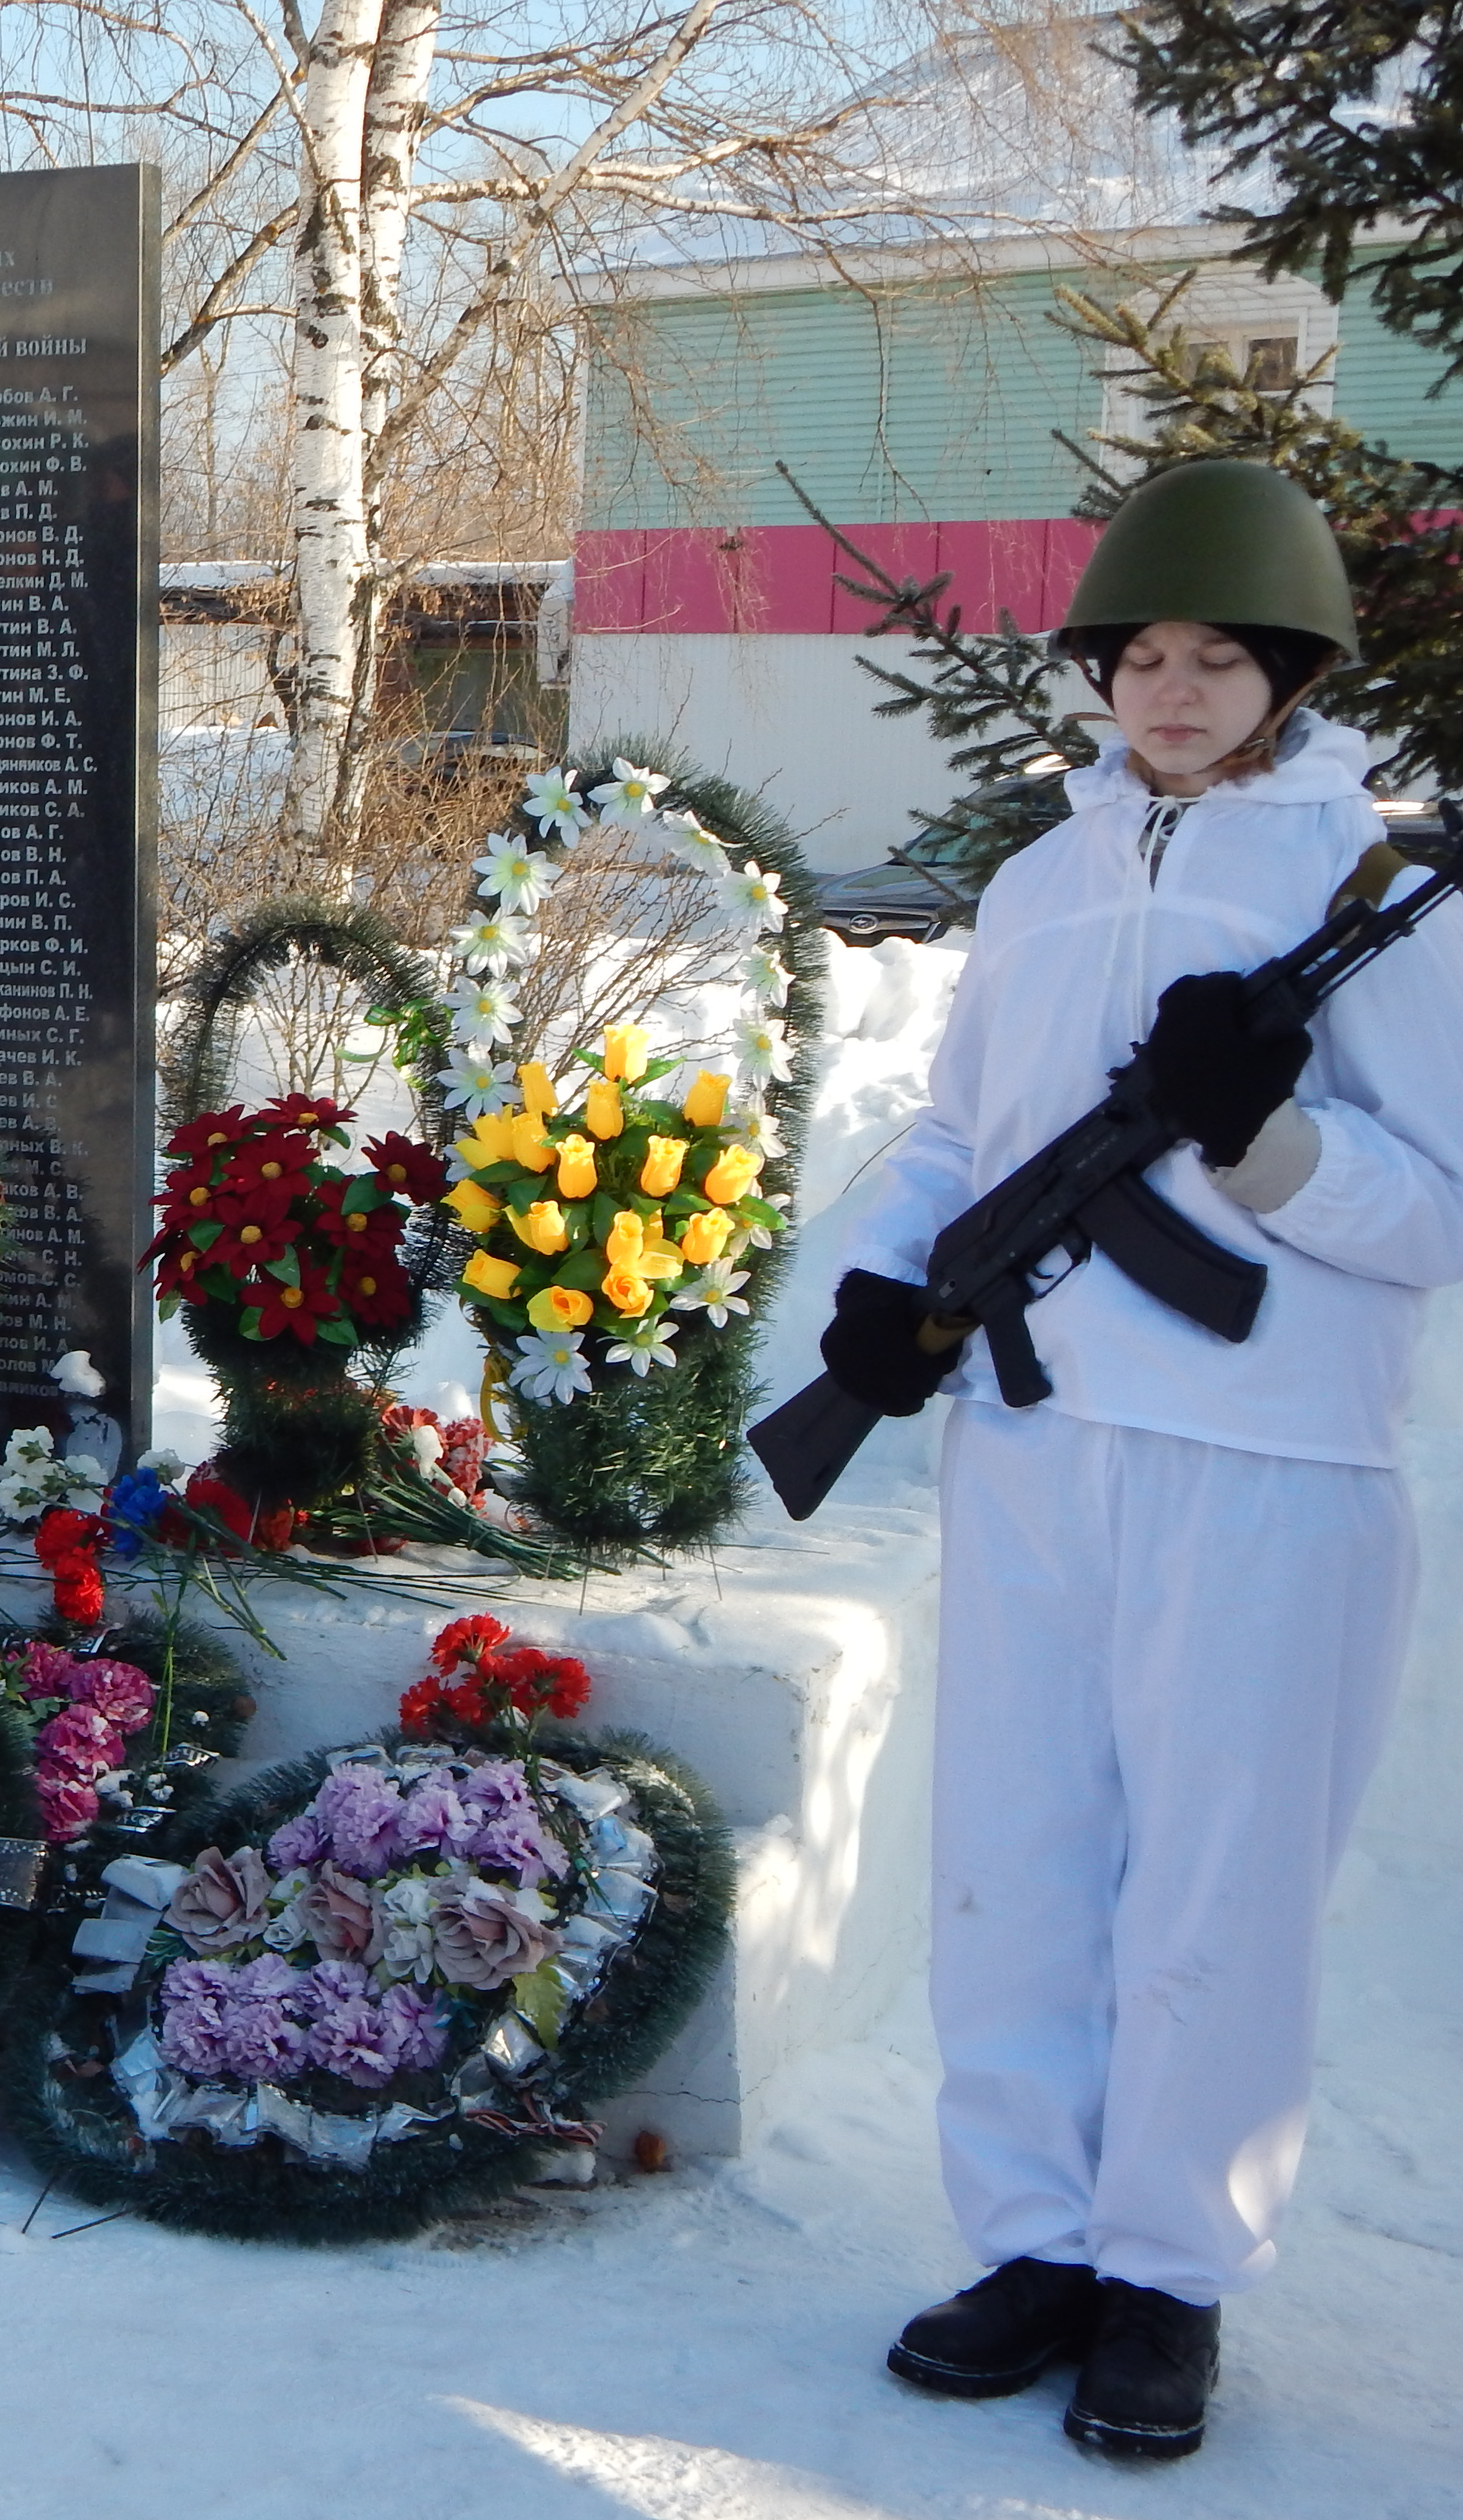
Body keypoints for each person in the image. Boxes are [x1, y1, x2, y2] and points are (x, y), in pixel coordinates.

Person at [824, 459, 1463, 2459]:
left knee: (1217, 1886)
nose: (1173, 693)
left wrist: (1263, 1136)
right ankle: (1034, 2241)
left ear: (1290, 673)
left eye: (1220, 659)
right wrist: (884, 1283)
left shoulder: (1371, 891)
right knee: (1015, 1865)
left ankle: (1167, 2278)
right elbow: (958, 1136)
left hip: (1269, 1464)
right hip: (1039, 1441)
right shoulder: (1039, 880)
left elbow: (1439, 1207)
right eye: (1143, 656)